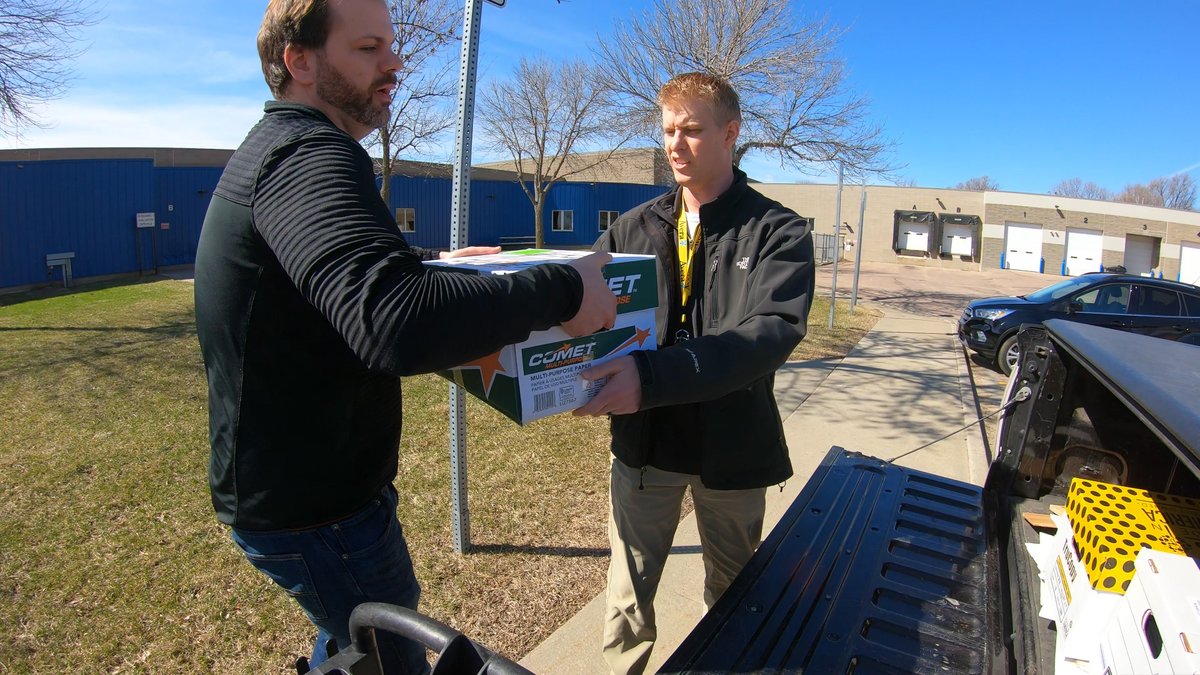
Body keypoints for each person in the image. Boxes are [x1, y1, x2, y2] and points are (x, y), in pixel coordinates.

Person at [193, 0, 616, 672]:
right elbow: (395, 321)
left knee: (350, 646)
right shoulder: (310, 155)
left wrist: (437, 268)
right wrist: (566, 291)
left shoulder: (281, 151)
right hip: (318, 510)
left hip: (303, 494)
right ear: (298, 61)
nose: (395, 63)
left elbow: (332, 281)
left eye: (390, 45)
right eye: (367, 48)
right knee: (387, 656)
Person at [576, 72, 815, 674]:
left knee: (735, 597)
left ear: (731, 133)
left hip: (733, 449)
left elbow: (768, 335)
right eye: (667, 131)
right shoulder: (630, 230)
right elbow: (580, 306)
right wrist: (503, 278)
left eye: (692, 131)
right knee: (627, 600)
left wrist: (651, 377)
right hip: (643, 447)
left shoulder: (777, 232)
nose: (675, 146)